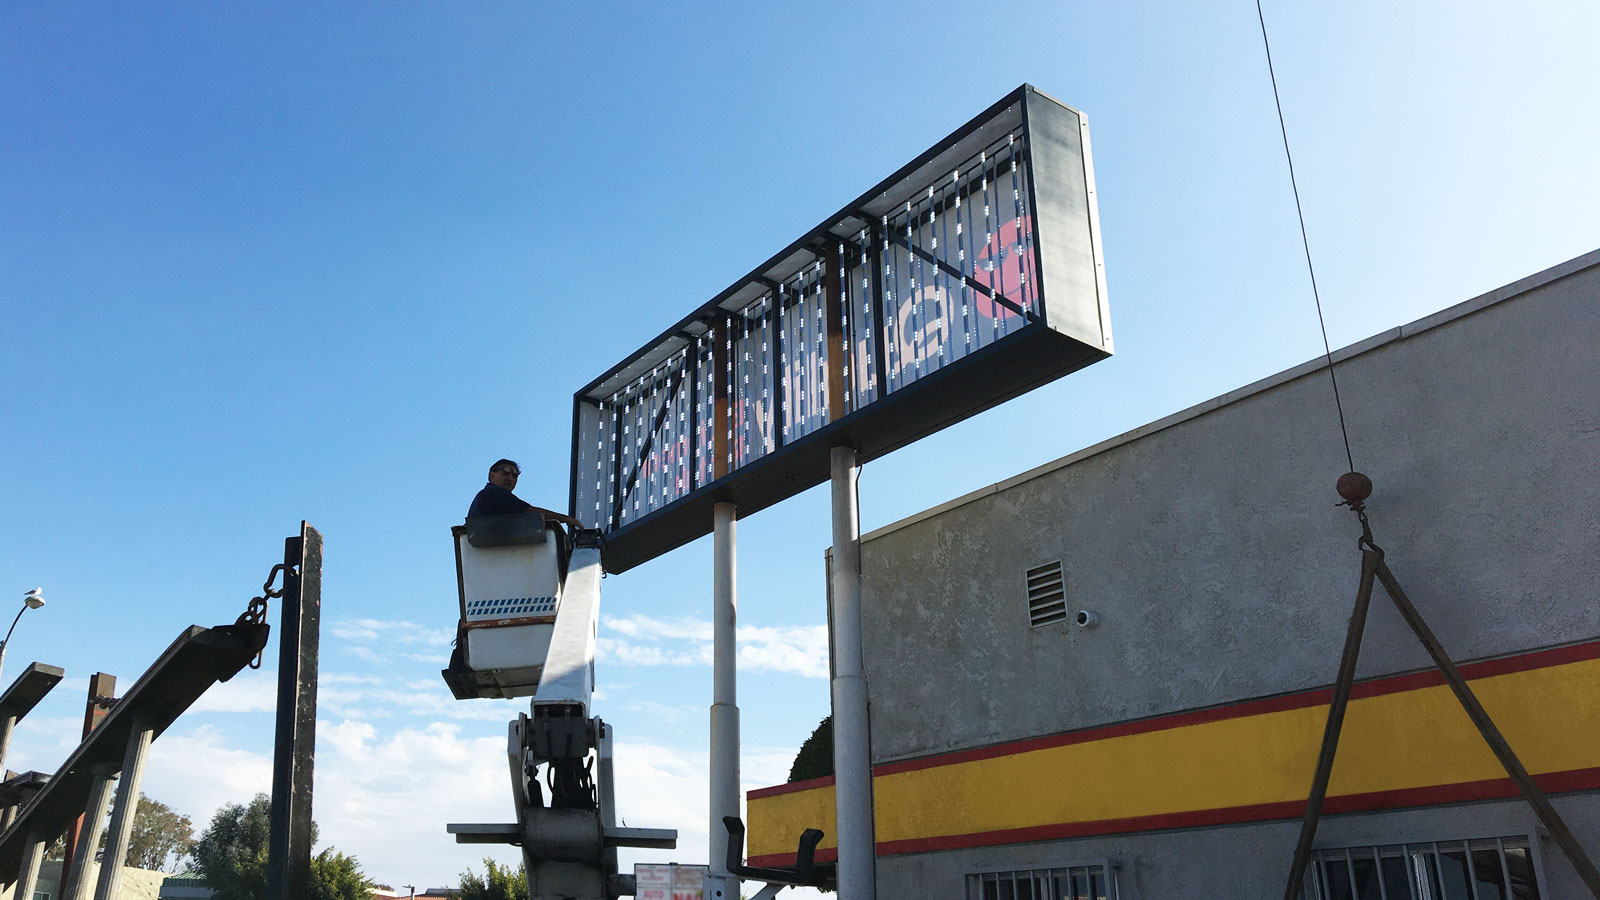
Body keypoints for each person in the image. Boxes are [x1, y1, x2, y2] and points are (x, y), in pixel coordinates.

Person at [468, 459, 582, 526]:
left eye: (514, 475)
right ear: (492, 476)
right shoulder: (493, 492)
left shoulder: (485, 497)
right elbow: (531, 512)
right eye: (505, 473)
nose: (510, 478)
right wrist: (566, 519)